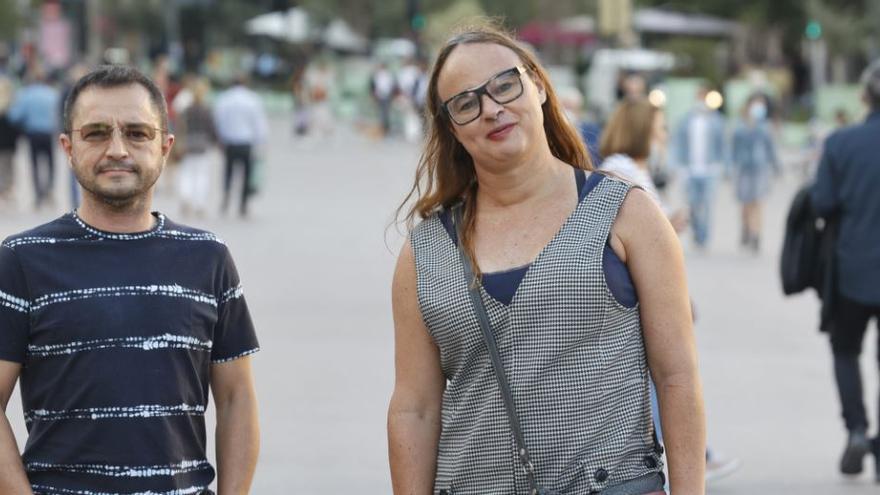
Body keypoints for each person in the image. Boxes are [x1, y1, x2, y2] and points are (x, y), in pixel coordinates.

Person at [388, 25, 705, 494]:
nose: (492, 109)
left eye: (504, 85)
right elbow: (414, 408)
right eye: (466, 103)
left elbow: (676, 375)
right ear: (451, 128)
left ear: (537, 85)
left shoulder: (627, 214)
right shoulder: (426, 252)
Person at [0, 65, 259, 494]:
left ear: (165, 146)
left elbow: (237, 400)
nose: (117, 149)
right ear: (68, 147)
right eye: (96, 133)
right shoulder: (22, 260)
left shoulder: (208, 257)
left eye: (137, 133)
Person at [599, 99, 742, 484]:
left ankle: (696, 454)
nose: (663, 134)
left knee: (664, 380)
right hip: (636, 300)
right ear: (642, 129)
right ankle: (696, 456)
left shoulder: (633, 170)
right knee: (664, 380)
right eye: (659, 126)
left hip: (655, 292)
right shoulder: (620, 171)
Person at [811, 59, 880, 481]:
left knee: (845, 350)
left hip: (852, 268)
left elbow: (822, 204)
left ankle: (856, 428)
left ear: (864, 96)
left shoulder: (840, 143)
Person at [673, 85, 726, 250]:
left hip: (710, 169)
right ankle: (697, 232)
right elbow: (679, 143)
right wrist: (679, 165)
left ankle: (704, 237)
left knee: (708, 204)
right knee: (694, 205)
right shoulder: (686, 120)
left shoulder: (716, 120)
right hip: (691, 170)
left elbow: (722, 144)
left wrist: (722, 165)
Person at [213, 75, 268, 217]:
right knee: (246, 174)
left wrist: (220, 138)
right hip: (246, 142)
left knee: (228, 172)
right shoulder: (252, 99)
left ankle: (226, 198)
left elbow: (219, 120)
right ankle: (243, 204)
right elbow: (259, 123)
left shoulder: (224, 99)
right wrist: (260, 141)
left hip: (229, 142)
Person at [731, 94, 780, 253]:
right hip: (744, 169)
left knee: (758, 203)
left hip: (761, 169)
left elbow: (771, 148)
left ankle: (756, 234)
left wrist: (777, 166)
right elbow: (733, 149)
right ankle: (746, 227)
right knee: (746, 204)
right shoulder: (740, 127)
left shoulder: (765, 127)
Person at [8, 66, 60, 209]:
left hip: (33, 134)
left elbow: (15, 116)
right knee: (51, 163)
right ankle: (49, 189)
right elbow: (60, 114)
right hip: (49, 133)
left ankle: (38, 194)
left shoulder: (26, 94)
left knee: (35, 164)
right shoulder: (53, 94)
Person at [176, 77, 217, 218]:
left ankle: (185, 197)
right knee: (202, 175)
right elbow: (212, 129)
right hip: (203, 145)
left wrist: (179, 143)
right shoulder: (206, 110)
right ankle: (199, 204)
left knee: (186, 172)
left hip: (188, 144)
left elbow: (180, 127)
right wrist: (216, 142)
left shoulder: (186, 110)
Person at [0, 76, 17, 207]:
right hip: (9, 144)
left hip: (4, 143)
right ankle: (7, 189)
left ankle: (4, 190)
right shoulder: (11, 107)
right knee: (8, 165)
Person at [370, 62, 396, 138]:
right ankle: (383, 128)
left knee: (383, 113)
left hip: (383, 96)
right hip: (383, 96)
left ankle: (384, 128)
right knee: (384, 113)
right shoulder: (384, 75)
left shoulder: (381, 75)